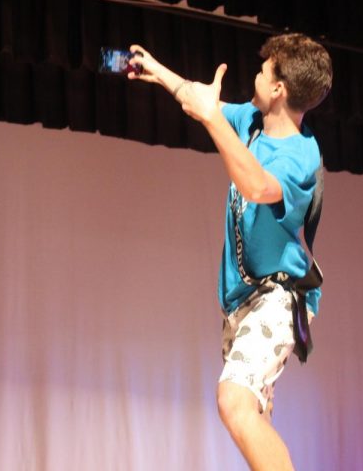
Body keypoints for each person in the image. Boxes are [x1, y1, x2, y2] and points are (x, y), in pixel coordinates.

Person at [127, 33, 332, 471]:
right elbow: (202, 101)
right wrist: (157, 70)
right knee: (254, 414)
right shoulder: (253, 122)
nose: (256, 73)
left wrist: (212, 119)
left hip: (280, 296)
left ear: (278, 88)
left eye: (264, 69)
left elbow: (257, 186)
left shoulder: (300, 156)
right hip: (240, 299)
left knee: (233, 399)